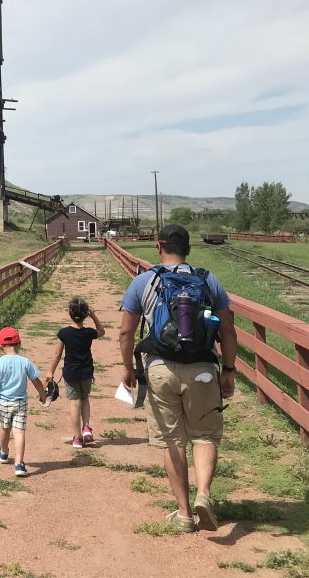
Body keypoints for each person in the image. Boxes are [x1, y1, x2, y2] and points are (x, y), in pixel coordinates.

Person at [118, 224, 237, 532]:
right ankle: (204, 494)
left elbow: (126, 332)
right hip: (202, 369)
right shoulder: (208, 280)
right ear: (188, 250)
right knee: (205, 435)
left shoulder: (145, 281)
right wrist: (229, 370)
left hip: (160, 369)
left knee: (173, 441)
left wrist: (129, 369)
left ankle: (183, 514)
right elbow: (227, 331)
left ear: (159, 246)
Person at [44, 297, 106, 448]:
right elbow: (102, 331)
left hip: (71, 373)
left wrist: (50, 371)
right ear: (85, 315)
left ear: (69, 313)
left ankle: (77, 438)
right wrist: (93, 315)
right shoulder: (89, 333)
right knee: (84, 399)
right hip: (86, 372)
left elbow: (57, 354)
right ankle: (86, 428)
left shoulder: (64, 333)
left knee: (74, 403)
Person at [0, 326, 48, 477]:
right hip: (20, 402)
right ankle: (19, 463)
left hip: (3, 402)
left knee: (4, 428)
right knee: (19, 431)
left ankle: (3, 452)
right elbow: (36, 381)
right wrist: (42, 395)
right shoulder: (25, 362)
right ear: (19, 344)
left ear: (1, 346)